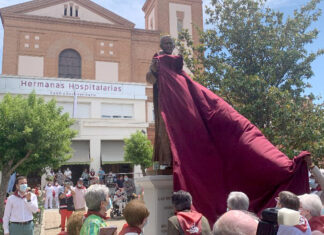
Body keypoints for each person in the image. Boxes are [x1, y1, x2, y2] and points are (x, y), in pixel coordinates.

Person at [146, 35, 175, 167]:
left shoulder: (175, 60)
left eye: (171, 43)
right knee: (165, 129)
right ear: (161, 46)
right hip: (164, 100)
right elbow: (149, 78)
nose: (169, 46)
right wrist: (154, 68)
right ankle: (167, 160)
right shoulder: (157, 58)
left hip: (176, 99)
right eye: (166, 43)